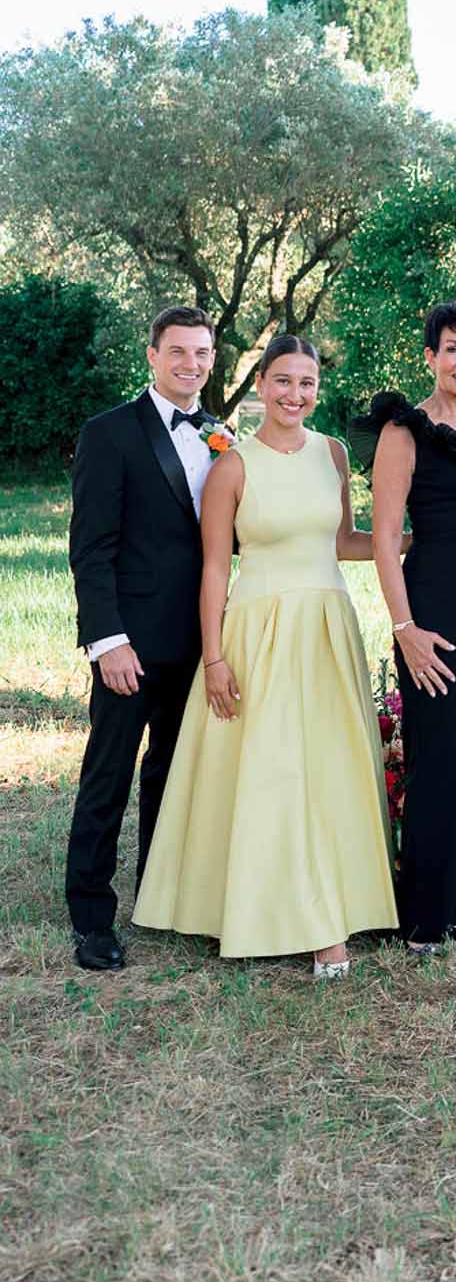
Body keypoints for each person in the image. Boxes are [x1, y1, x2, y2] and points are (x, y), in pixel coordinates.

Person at [134, 334, 396, 975]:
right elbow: (215, 570)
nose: (295, 395)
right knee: (272, 772)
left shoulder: (333, 454)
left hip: (327, 627)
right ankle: (258, 910)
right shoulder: (233, 465)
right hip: (260, 633)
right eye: (283, 381)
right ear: (261, 386)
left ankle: (333, 912)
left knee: (328, 770)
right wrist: (216, 659)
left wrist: (423, 541)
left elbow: (346, 541)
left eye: (306, 383)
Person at [353, 300, 456, 948]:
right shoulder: (405, 431)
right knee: (440, 755)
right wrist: (404, 627)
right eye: (451, 349)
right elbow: (386, 536)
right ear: (429, 357)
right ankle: (427, 918)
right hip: (430, 608)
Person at [65, 307, 226, 971]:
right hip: (130, 644)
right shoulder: (109, 434)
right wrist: (109, 641)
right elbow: (91, 550)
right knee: (109, 773)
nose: (191, 364)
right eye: (179, 352)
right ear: (153, 356)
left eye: (203, 353)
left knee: (172, 773)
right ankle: (90, 916)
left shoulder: (220, 436)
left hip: (200, 640)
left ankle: (159, 898)